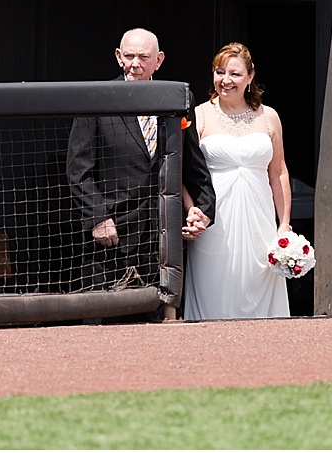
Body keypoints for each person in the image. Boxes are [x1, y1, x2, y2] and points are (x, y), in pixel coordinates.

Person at [66, 28, 216, 295]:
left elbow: (192, 162)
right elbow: (78, 170)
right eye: (129, 56)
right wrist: (98, 217)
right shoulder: (96, 99)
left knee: (160, 314)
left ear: (158, 60)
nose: (135, 64)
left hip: (162, 240)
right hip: (111, 239)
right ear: (118, 56)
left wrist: (204, 209)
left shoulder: (177, 99)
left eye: (143, 57)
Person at [183, 42, 292, 320]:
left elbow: (278, 172)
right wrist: (192, 209)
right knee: (214, 292)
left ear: (250, 77)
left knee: (260, 286)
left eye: (235, 74)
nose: (226, 80)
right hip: (215, 220)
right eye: (220, 72)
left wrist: (284, 224)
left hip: (259, 219)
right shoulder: (199, 114)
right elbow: (183, 170)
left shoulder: (269, 117)